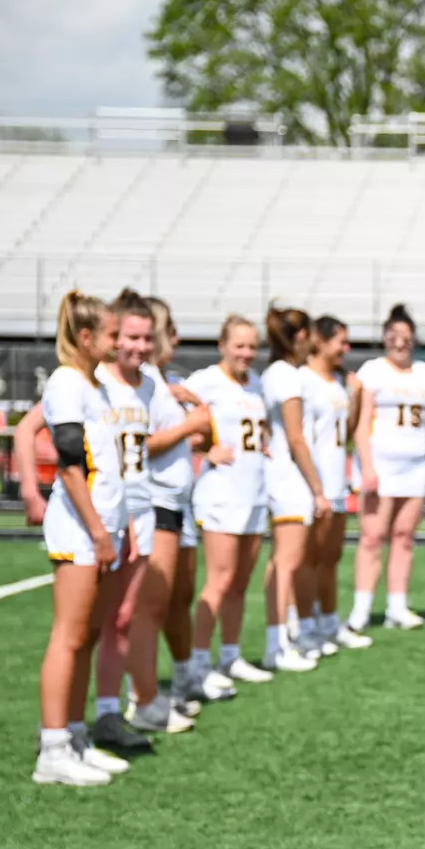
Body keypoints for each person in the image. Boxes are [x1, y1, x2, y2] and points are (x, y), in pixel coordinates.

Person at [26, 292, 133, 786]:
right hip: (79, 527)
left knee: (88, 635)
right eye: (111, 333)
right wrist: (97, 530)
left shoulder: (96, 384)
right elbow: (71, 465)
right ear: (86, 337)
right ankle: (52, 749)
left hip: (103, 525)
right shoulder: (67, 382)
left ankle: (74, 734)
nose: (117, 341)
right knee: (68, 637)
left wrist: (120, 523)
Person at [90, 289, 193, 746]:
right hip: (104, 510)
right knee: (94, 624)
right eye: (131, 335)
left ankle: (111, 713)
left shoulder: (148, 383)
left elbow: (143, 443)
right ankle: (71, 728)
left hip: (142, 509)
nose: (141, 345)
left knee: (126, 615)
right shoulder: (93, 380)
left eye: (147, 337)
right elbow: (37, 428)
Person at [187, 315, 273, 691]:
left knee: (240, 582)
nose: (246, 353)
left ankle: (231, 655)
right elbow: (171, 417)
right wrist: (206, 449)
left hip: (253, 492)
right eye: (239, 345)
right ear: (222, 345)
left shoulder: (255, 383)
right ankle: (198, 662)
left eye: (252, 346)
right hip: (221, 494)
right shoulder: (205, 381)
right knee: (219, 581)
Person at [144, 296, 218, 709]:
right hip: (154, 501)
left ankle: (183, 672)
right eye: (168, 329)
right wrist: (191, 424)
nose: (176, 337)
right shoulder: (141, 382)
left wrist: (198, 423)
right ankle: (146, 693)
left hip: (180, 501)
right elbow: (142, 446)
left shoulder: (167, 381)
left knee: (180, 596)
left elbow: (196, 439)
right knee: (151, 604)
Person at [350, 304, 425, 631]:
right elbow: (360, 424)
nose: (400, 343)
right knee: (372, 537)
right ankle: (360, 610)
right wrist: (368, 467)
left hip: (414, 466)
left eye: (405, 337)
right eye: (393, 337)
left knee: (404, 537)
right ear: (385, 338)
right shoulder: (372, 371)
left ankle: (396, 607)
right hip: (381, 466)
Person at [261, 305, 331, 672]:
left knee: (286, 562)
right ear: (301, 336)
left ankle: (284, 636)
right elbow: (295, 438)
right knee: (286, 562)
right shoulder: (286, 376)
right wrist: (318, 488)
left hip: (285, 476)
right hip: (288, 479)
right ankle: (277, 643)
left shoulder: (280, 373)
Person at [304, 315, 370, 651]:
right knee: (307, 559)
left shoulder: (338, 382)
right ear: (319, 340)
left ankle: (329, 622)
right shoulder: (303, 380)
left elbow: (343, 434)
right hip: (313, 484)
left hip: (337, 481)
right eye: (340, 341)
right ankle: (302, 623)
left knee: (329, 559)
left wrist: (356, 397)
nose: (346, 348)